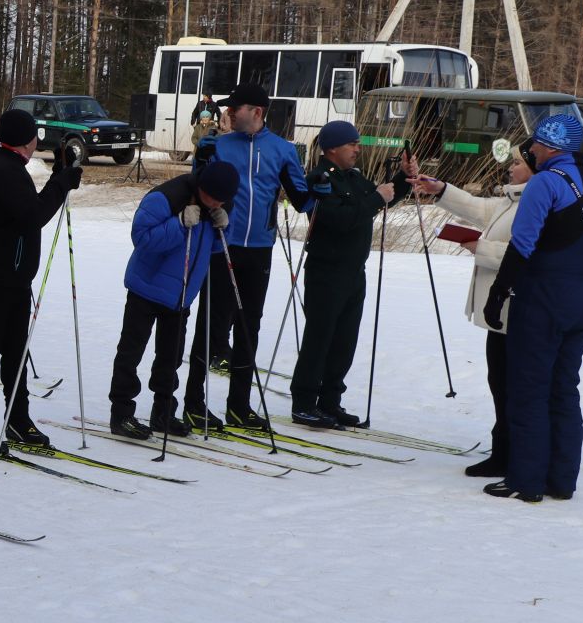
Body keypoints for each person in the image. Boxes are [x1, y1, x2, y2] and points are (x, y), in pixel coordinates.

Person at [482, 114, 583, 502]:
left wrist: (498, 294)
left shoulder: (546, 183)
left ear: (551, 146)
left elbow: (522, 244)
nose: (532, 152)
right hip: (582, 300)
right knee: (564, 388)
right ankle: (561, 480)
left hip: (542, 297)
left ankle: (525, 481)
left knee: (529, 388)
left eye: (536, 146)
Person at [185, 82, 310, 430]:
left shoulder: (283, 150)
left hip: (259, 250)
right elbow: (195, 189)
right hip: (220, 244)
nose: (227, 113)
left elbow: (302, 201)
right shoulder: (218, 146)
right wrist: (201, 161)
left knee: (248, 327)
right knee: (209, 325)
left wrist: (320, 186)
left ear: (255, 112)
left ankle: (239, 406)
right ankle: (193, 403)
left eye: (233, 108)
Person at [407, 140, 535, 477]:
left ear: (534, 169)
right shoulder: (514, 199)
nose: (510, 166)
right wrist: (441, 189)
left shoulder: (534, 203)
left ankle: (509, 454)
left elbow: (525, 256)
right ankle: (504, 449)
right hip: (500, 309)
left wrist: (481, 247)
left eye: (517, 162)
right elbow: (478, 208)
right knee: (499, 380)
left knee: (509, 382)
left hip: (515, 307)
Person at [0, 107, 82, 451]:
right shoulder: (4, 170)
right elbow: (33, 215)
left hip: (12, 280)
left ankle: (18, 419)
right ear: (28, 141)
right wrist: (60, 184)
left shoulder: (8, 167)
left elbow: (26, 209)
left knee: (15, 353)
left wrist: (60, 174)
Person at [286, 120, 407, 429]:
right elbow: (340, 219)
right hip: (327, 271)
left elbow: (380, 198)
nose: (357, 148)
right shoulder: (320, 179)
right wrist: (377, 198)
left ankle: (330, 401)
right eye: (351, 144)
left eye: (357, 143)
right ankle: (303, 401)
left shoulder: (353, 177)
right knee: (319, 338)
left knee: (344, 341)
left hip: (354, 271)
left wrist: (404, 177)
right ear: (331, 149)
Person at [108, 160, 239, 439]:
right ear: (202, 186)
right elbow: (142, 239)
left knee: (171, 358)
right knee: (131, 352)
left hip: (181, 296)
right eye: (213, 197)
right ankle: (121, 413)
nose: (217, 203)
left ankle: (163, 412)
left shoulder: (218, 205)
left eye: (223, 200)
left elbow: (213, 247)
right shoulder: (167, 197)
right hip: (146, 288)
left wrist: (222, 229)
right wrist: (178, 223)